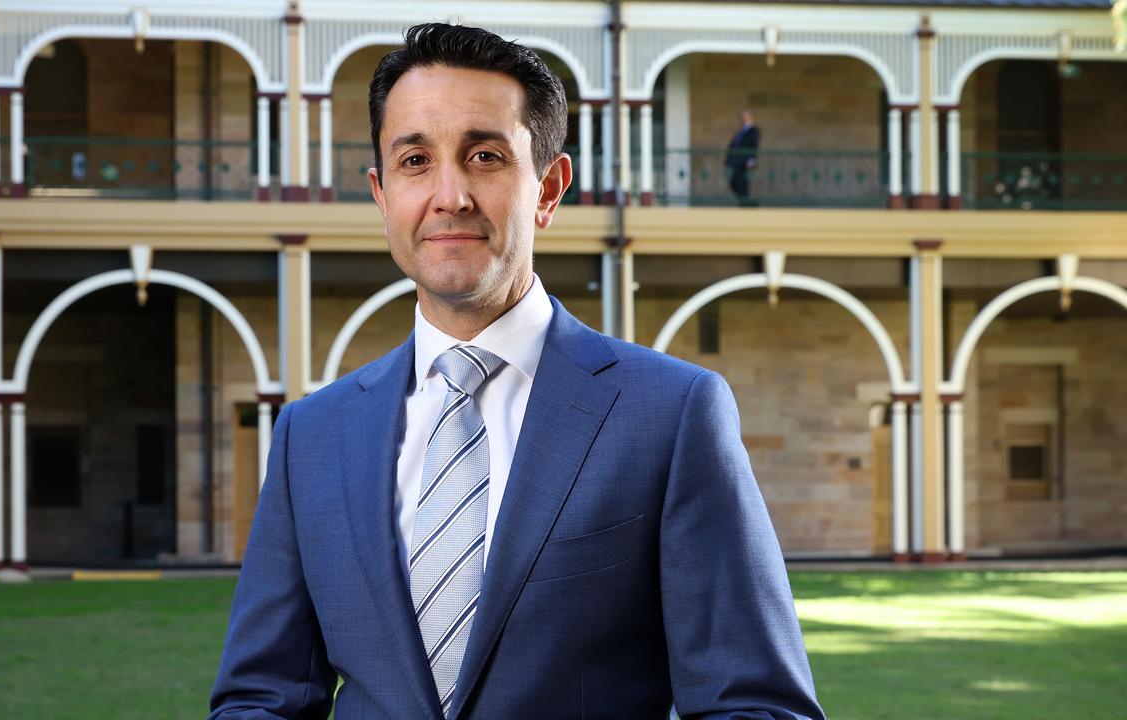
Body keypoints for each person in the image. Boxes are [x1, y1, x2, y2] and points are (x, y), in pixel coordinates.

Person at [209, 23, 823, 720]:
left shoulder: (672, 415)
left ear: (549, 189)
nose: (450, 196)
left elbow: (754, 705)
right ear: (382, 194)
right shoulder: (310, 436)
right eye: (415, 161)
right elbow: (261, 698)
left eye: (485, 156)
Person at [725, 110, 761, 206]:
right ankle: (747, 204)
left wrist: (751, 160)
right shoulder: (740, 131)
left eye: (744, 118)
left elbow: (754, 146)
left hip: (744, 162)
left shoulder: (753, 130)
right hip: (736, 162)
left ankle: (747, 205)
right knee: (734, 183)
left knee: (742, 184)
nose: (742, 120)